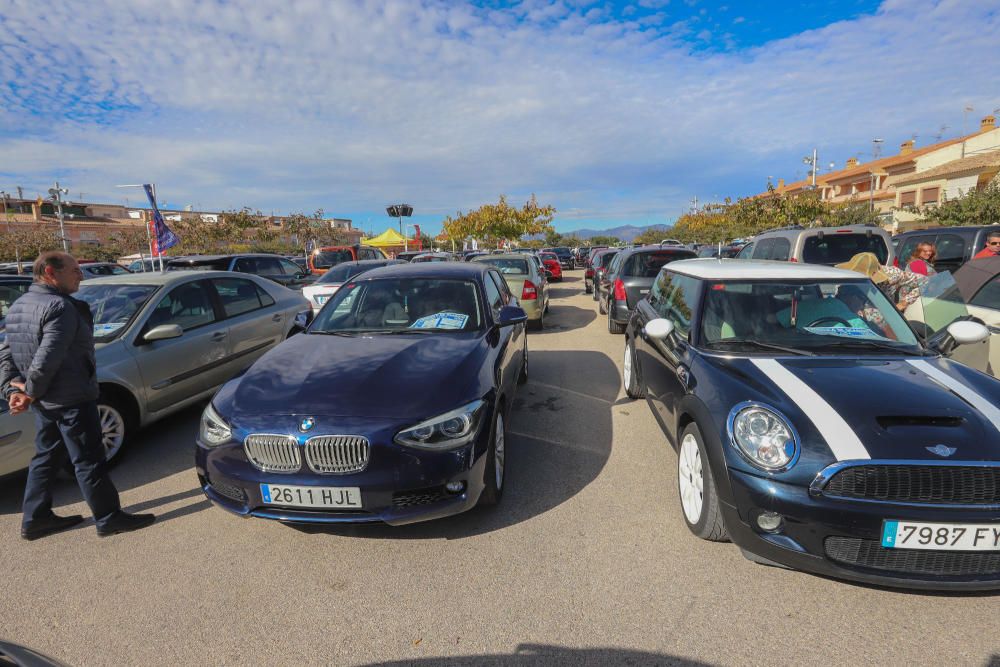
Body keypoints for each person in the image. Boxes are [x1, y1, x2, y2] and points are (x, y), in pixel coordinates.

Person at [0, 252, 155, 540]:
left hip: (47, 402)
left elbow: (6, 353)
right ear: (50, 272)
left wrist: (13, 388)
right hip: (71, 400)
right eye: (74, 270)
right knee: (88, 460)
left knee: (46, 457)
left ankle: (36, 518)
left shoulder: (21, 304)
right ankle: (109, 517)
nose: (81, 275)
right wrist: (25, 393)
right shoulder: (61, 307)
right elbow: (48, 358)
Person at [835, 252, 927, 312]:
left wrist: (904, 303)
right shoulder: (848, 277)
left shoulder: (892, 274)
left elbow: (924, 281)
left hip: (884, 316)